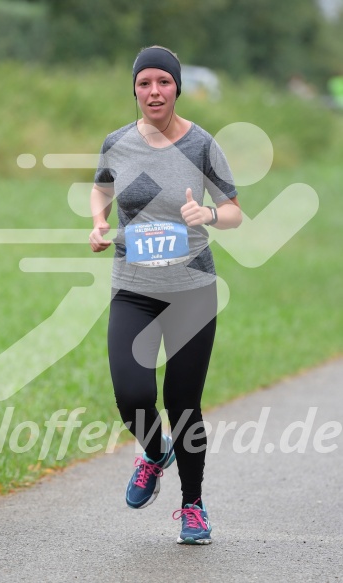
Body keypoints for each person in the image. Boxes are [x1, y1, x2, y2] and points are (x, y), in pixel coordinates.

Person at [89, 46, 242, 545]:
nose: (154, 92)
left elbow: (234, 209)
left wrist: (210, 216)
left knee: (183, 404)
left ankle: (192, 506)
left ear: (177, 87)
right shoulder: (117, 143)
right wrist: (98, 222)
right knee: (131, 395)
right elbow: (101, 188)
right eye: (144, 83)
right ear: (134, 89)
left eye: (164, 83)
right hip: (133, 289)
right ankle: (155, 454)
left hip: (192, 292)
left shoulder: (200, 145)